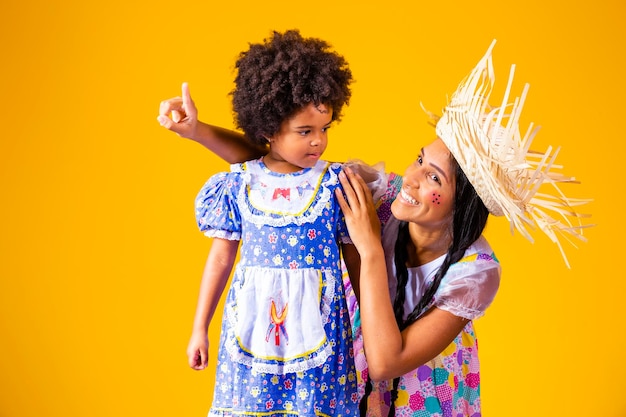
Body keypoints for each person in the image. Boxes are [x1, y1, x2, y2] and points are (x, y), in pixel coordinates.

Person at [158, 40, 591, 416]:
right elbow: (274, 164)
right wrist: (197, 131)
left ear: (464, 204)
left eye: (435, 178)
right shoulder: (386, 200)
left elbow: (387, 360)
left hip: (426, 395)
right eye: (420, 159)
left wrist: (368, 248)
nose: (414, 178)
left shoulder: (474, 273)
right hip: (355, 385)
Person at [169, 29, 360, 416]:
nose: (318, 142)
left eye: (324, 129)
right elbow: (221, 259)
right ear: (268, 131)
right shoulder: (239, 183)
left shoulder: (336, 183)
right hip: (252, 328)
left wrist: (369, 330)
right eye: (305, 132)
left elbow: (356, 261)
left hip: (320, 331)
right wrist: (198, 327)